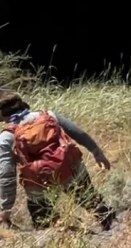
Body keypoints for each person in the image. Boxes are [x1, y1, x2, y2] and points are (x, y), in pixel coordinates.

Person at [0, 90, 115, 230]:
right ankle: (113, 230)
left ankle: (63, 234)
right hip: (72, 170)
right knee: (92, 201)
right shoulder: (49, 116)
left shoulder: (7, 137)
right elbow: (78, 133)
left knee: (43, 220)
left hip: (38, 182)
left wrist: (6, 208)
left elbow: (6, 175)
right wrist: (97, 152)